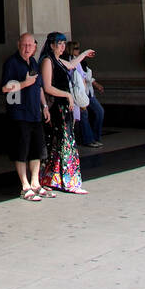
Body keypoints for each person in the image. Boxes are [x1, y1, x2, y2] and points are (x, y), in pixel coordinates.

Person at [39, 33, 94, 194]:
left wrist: (83, 54)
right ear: (51, 45)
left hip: (64, 106)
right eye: (59, 43)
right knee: (64, 141)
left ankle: (53, 178)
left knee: (62, 141)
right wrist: (67, 95)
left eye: (64, 43)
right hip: (57, 106)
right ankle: (69, 182)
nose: (62, 46)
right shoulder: (48, 61)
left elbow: (71, 65)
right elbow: (48, 87)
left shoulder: (58, 60)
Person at [1, 32, 52, 201]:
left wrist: (44, 106)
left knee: (37, 150)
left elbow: (39, 87)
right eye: (24, 45)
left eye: (30, 45)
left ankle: (36, 182)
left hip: (35, 113)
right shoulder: (11, 63)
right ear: (18, 45)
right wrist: (24, 84)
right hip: (19, 113)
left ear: (35, 47)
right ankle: (25, 185)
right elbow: (5, 88)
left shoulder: (34, 62)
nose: (27, 48)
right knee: (21, 150)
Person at [72, 44, 105, 148]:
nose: (78, 50)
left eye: (78, 48)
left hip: (88, 93)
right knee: (84, 115)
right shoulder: (72, 62)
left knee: (99, 111)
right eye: (76, 48)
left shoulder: (81, 62)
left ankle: (95, 137)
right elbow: (82, 77)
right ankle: (89, 139)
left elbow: (87, 75)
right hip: (81, 94)